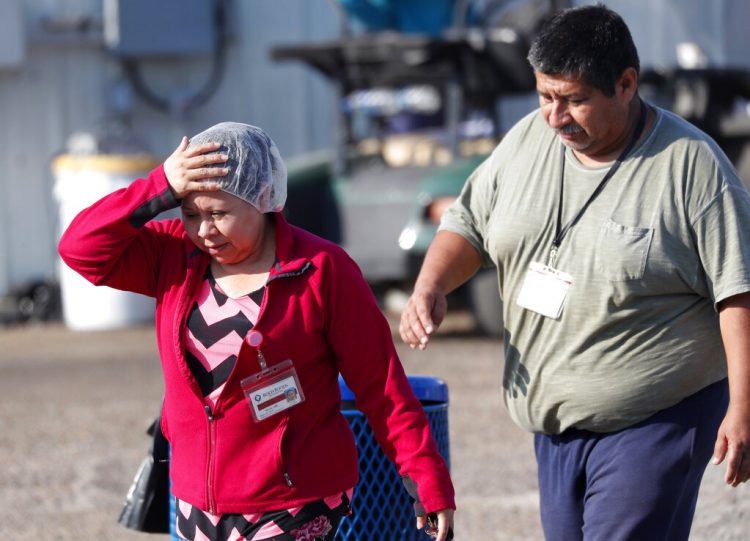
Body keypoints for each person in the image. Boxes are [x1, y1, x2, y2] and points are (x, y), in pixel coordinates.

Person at [400, 4, 750, 540]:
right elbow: (468, 221)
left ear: (626, 84)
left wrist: (744, 407)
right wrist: (431, 285)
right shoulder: (526, 141)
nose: (556, 117)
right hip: (555, 431)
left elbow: (738, 293)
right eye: (546, 97)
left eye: (576, 100)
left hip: (655, 418)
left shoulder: (692, 167)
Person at [58, 122, 455, 541]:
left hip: (294, 500)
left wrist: (427, 482)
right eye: (190, 213)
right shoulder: (172, 254)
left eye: (219, 213)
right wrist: (158, 186)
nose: (204, 231)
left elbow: (383, 387)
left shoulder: (324, 271)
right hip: (197, 500)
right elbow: (80, 247)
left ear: (262, 199)